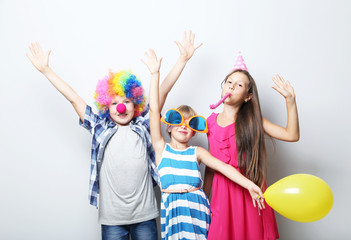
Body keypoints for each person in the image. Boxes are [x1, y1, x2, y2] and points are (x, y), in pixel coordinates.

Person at [25, 33, 200, 240]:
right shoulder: (100, 127)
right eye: (115, 102)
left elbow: (163, 92)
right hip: (112, 219)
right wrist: (47, 70)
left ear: (136, 105)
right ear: (106, 105)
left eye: (127, 101)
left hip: (145, 215)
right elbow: (74, 99)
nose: (121, 107)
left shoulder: (143, 125)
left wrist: (182, 59)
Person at [142, 47, 266, 240]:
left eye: (189, 122)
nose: (183, 125)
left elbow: (224, 168)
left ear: (194, 132)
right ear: (167, 127)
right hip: (173, 215)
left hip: (198, 212)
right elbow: (153, 109)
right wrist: (155, 74)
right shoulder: (161, 148)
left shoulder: (197, 152)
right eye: (177, 120)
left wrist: (249, 184)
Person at [203, 53, 300, 240]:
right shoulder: (210, 122)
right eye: (229, 81)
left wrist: (290, 101)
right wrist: (204, 197)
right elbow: (211, 164)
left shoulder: (253, 121)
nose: (231, 86)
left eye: (239, 84)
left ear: (248, 96)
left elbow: (292, 135)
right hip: (222, 194)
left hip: (251, 192)